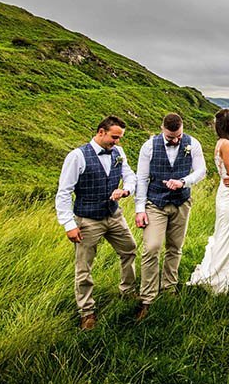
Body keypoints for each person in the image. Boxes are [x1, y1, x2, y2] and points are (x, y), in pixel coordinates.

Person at [55, 115, 138, 330]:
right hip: (88, 220)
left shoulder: (118, 152)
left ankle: (127, 291)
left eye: (119, 138)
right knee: (84, 267)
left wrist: (125, 189)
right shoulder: (77, 156)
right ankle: (87, 312)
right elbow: (63, 193)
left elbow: (130, 176)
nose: (117, 142)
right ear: (101, 132)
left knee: (129, 250)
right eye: (114, 137)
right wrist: (69, 225)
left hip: (114, 215)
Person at [134, 113, 207, 320]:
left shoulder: (193, 143)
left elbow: (201, 170)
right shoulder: (148, 146)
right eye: (170, 137)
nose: (175, 140)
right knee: (151, 247)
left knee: (175, 247)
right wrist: (140, 209)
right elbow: (141, 178)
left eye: (178, 136)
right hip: (155, 203)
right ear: (162, 129)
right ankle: (147, 297)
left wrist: (184, 181)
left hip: (182, 202)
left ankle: (169, 288)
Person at [188, 109, 229, 293]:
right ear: (228, 123)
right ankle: (217, 277)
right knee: (226, 234)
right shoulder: (224, 144)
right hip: (228, 194)